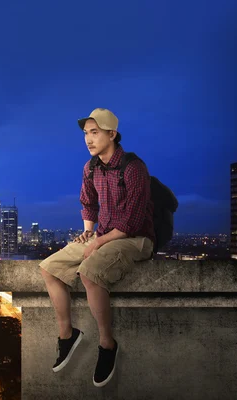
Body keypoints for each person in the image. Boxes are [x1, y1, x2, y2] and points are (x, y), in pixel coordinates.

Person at [39, 108, 155, 387]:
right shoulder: (90, 168)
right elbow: (88, 202)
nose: (88, 140)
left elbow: (132, 220)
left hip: (135, 239)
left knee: (90, 271)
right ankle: (68, 336)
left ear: (112, 134)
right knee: (49, 268)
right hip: (102, 234)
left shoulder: (133, 167)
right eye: (85, 134)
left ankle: (107, 344)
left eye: (95, 133)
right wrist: (89, 233)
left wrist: (99, 243)